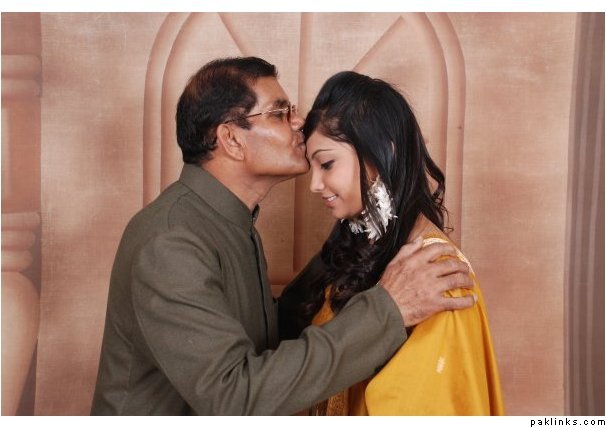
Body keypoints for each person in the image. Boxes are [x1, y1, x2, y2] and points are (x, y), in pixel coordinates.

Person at [90, 57, 475, 416]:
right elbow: (234, 395)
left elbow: (263, 335)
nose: (299, 121)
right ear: (231, 139)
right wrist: (388, 309)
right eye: (279, 113)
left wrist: (355, 244)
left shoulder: (225, 222)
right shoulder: (172, 241)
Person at [279, 71, 504, 415]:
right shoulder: (356, 249)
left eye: (326, 164)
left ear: (383, 152)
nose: (315, 185)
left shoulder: (437, 274)